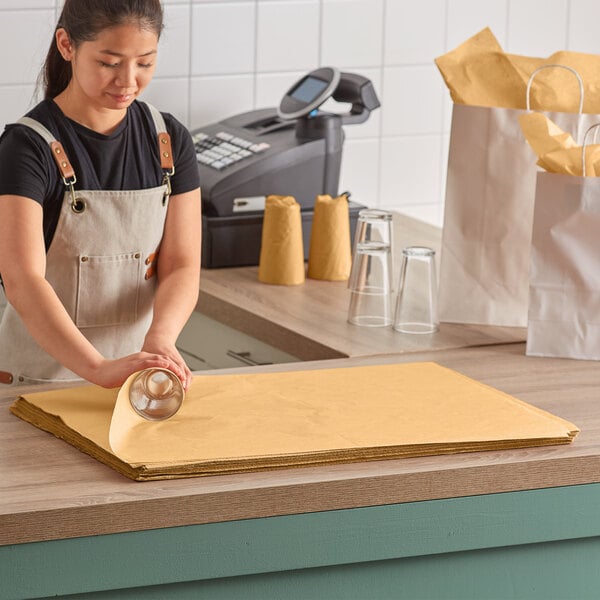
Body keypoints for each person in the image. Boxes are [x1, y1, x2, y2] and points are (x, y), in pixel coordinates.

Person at [0, 0, 201, 391]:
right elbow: (22, 279)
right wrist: (96, 368)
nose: (128, 81)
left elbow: (181, 264)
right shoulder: (26, 147)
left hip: (136, 385)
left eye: (144, 63)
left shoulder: (170, 140)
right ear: (67, 45)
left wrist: (160, 339)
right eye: (109, 62)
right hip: (32, 383)